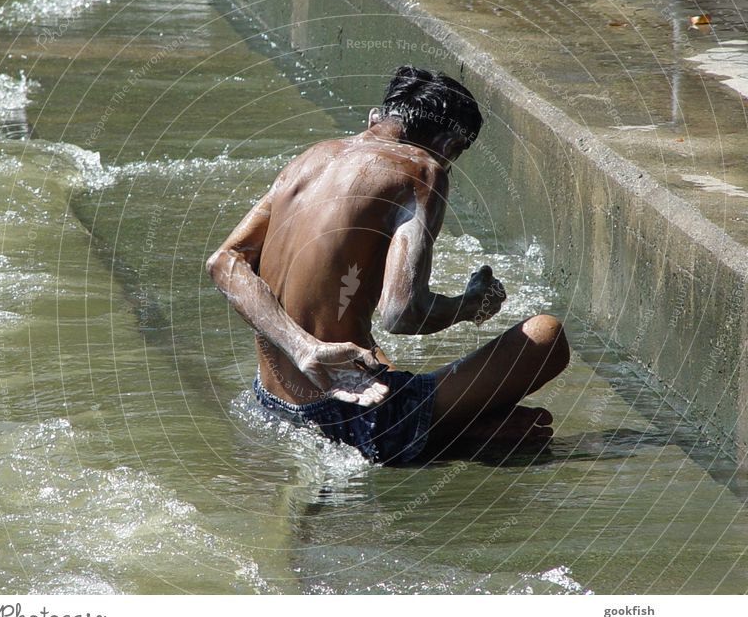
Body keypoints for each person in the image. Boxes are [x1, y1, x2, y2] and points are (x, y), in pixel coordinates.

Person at [206, 65, 569, 464]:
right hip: (350, 417)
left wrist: (303, 348)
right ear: (448, 146)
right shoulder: (423, 170)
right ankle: (457, 433)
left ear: (375, 119)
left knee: (376, 358)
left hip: (271, 399)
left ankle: (458, 428)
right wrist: (470, 305)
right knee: (546, 336)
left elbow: (224, 261)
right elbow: (402, 314)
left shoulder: (309, 159)